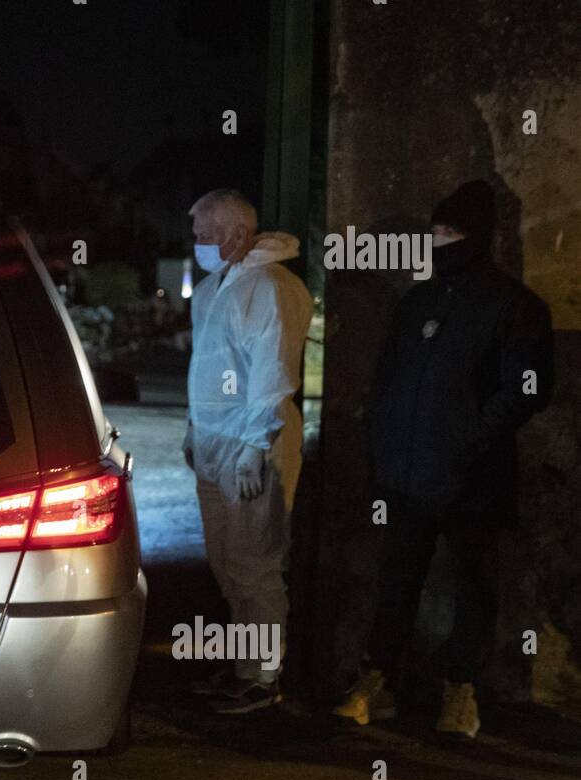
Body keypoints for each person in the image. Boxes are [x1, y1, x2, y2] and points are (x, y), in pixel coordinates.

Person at [333, 180, 554, 739]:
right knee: (396, 581)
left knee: (473, 587)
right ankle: (376, 681)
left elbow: (527, 387)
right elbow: (388, 378)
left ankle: (461, 692)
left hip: (471, 479)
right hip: (408, 477)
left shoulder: (515, 306)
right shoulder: (418, 301)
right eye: (434, 232)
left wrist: (470, 437)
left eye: (451, 233)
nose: (439, 242)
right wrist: (383, 436)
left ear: (478, 237)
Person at [183, 189, 314, 713]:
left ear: (236, 233)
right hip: (217, 441)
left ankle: (264, 675)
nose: (199, 246)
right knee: (227, 560)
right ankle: (244, 662)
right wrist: (197, 429)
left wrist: (254, 447)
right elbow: (211, 365)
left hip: (251, 443)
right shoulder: (221, 287)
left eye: (206, 236)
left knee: (255, 562)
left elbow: (271, 371)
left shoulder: (269, 287)